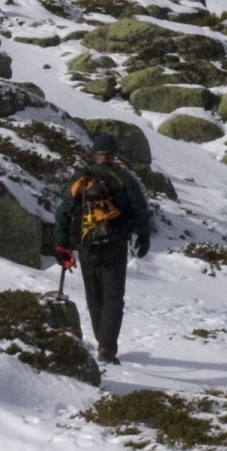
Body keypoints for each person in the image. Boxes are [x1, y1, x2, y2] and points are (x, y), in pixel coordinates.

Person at [53, 133, 152, 365]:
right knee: (113, 297)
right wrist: (143, 235)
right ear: (113, 154)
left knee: (94, 295)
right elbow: (139, 208)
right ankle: (106, 347)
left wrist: (61, 243)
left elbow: (63, 212)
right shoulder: (123, 178)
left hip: (87, 244)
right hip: (115, 244)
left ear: (94, 154)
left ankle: (102, 341)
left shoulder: (81, 179)